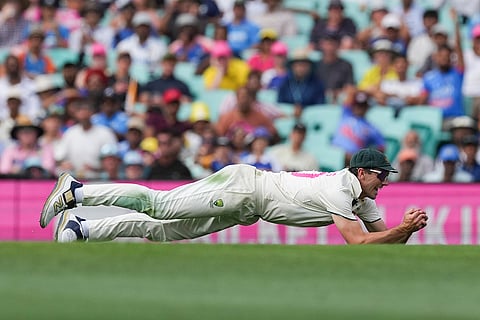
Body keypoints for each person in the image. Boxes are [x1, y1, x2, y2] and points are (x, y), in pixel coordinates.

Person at [40, 148, 428, 244]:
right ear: (362, 172)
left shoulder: (364, 196)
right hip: (244, 188)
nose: (385, 182)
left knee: (164, 232)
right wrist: (403, 229)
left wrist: (405, 229)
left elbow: (384, 242)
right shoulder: (341, 187)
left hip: (248, 208)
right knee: (158, 205)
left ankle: (81, 228)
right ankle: (77, 191)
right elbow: (359, 241)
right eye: (381, 176)